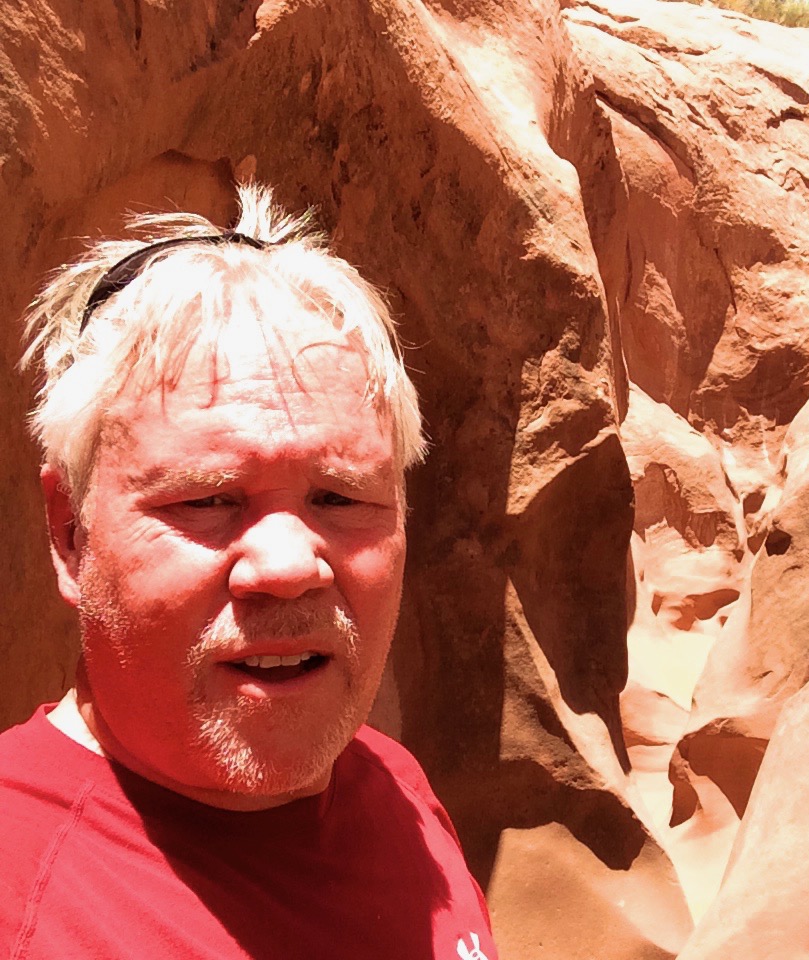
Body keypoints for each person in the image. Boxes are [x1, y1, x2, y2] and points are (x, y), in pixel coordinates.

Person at [0, 184, 497, 960]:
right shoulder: (21, 896)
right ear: (70, 533)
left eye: (340, 497)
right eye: (207, 500)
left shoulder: (393, 786)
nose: (289, 566)